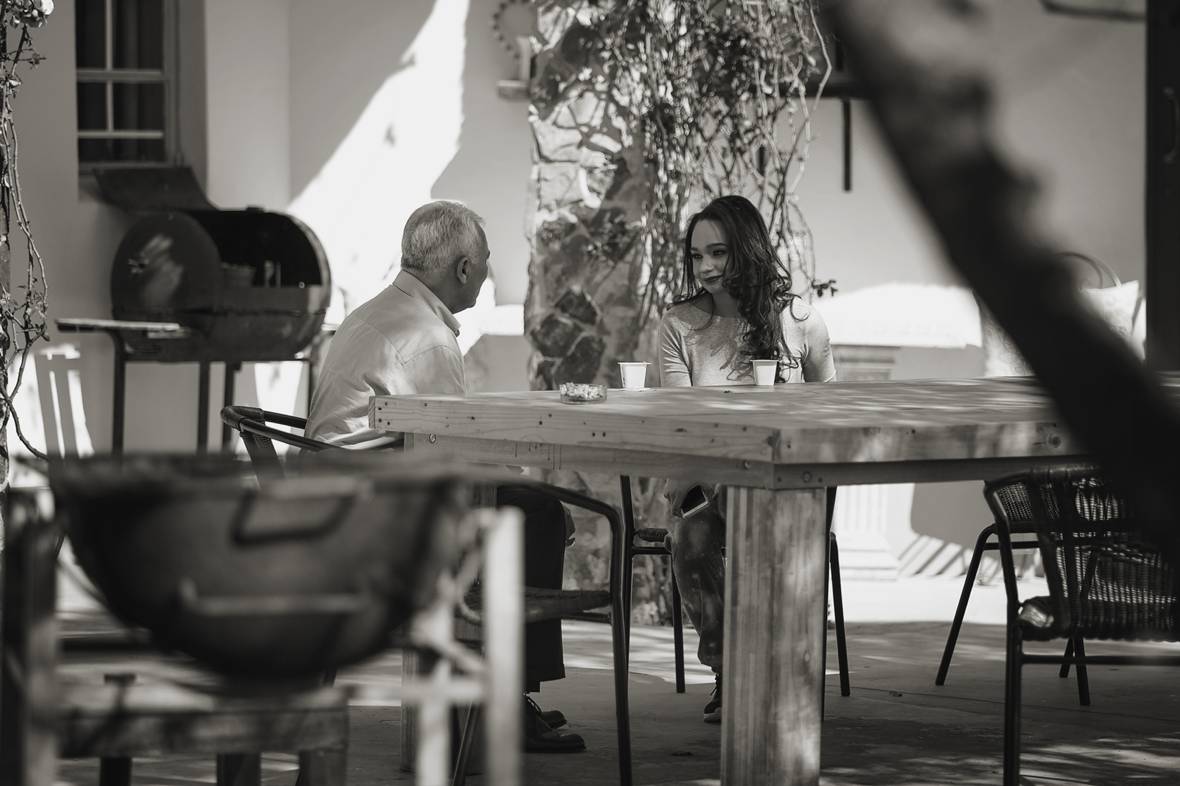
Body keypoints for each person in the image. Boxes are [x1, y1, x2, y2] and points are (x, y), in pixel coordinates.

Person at [306, 200, 585, 752]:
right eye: (485, 261)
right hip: (378, 519)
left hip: (336, 503)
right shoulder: (426, 336)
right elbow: (454, 446)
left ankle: (502, 694)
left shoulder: (375, 312)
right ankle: (507, 701)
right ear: (463, 268)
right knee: (539, 513)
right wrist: (528, 483)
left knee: (523, 506)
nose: (486, 272)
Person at [658, 194, 837, 723]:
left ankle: (771, 666)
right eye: (697, 256)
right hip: (708, 488)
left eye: (719, 252)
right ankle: (731, 672)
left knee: (741, 507)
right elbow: (683, 425)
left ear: (748, 249)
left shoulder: (799, 321)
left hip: (788, 491)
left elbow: (831, 411)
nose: (706, 267)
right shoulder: (680, 326)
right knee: (690, 538)